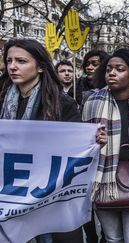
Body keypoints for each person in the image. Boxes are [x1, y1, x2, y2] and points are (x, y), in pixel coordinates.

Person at [0, 39, 85, 242]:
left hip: (48, 194)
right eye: (9, 60)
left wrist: (92, 140)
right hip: (10, 193)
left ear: (39, 67)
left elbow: (75, 147)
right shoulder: (2, 99)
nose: (12, 66)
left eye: (21, 61)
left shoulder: (62, 103)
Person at [82, 48, 129, 243]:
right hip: (103, 180)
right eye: (108, 69)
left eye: (119, 69)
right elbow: (81, 144)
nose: (112, 73)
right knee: (113, 239)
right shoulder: (91, 102)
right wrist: (92, 140)